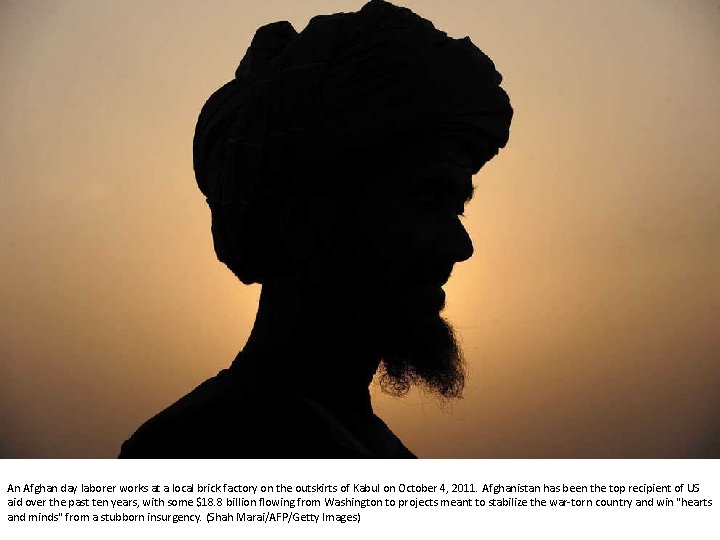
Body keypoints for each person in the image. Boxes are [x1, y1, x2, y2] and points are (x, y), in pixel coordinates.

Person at [119, 0, 512, 458]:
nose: (460, 245)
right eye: (427, 199)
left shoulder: (367, 445)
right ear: (309, 213)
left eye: (456, 209)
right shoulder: (198, 449)